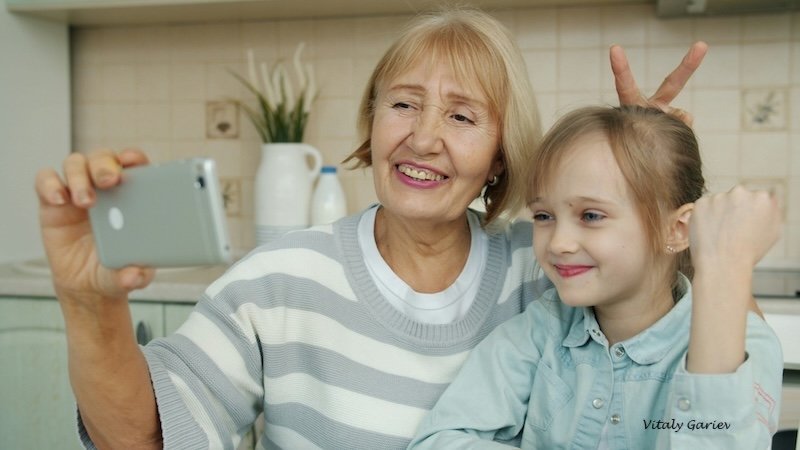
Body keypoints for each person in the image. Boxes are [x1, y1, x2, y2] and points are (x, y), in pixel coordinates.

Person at [35, 8, 711, 450]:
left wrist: (641, 182)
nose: (423, 137)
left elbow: (685, 343)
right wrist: (89, 303)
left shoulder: (547, 269)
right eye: (404, 105)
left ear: (502, 156)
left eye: (462, 116)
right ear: (371, 123)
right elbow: (146, 438)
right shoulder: (279, 280)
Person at [408, 105, 783, 450]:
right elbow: (438, 441)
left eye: (591, 216)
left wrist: (723, 267)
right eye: (543, 216)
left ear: (677, 230)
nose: (559, 243)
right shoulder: (541, 330)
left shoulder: (747, 343)